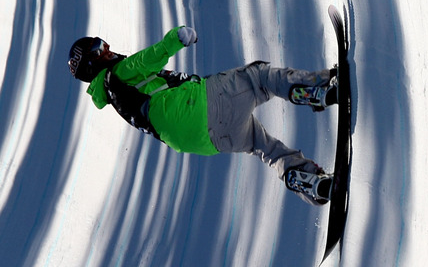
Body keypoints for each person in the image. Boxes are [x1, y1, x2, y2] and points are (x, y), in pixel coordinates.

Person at [67, 26, 338, 205]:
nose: (108, 47)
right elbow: (149, 58)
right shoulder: (118, 73)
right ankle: (316, 89)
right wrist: (177, 38)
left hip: (203, 141)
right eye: (99, 47)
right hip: (197, 107)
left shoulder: (114, 99)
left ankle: (307, 181)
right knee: (259, 77)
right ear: (94, 62)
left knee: (262, 145)